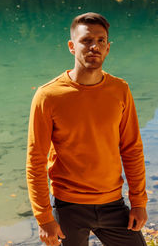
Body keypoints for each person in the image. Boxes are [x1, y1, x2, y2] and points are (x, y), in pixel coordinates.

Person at [26, 12, 148, 246]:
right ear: (72, 46)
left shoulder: (120, 90)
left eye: (101, 41)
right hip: (69, 206)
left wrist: (139, 203)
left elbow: (132, 149)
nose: (95, 46)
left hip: (114, 204)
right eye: (86, 40)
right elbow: (35, 161)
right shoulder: (48, 95)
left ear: (108, 47)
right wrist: (44, 218)